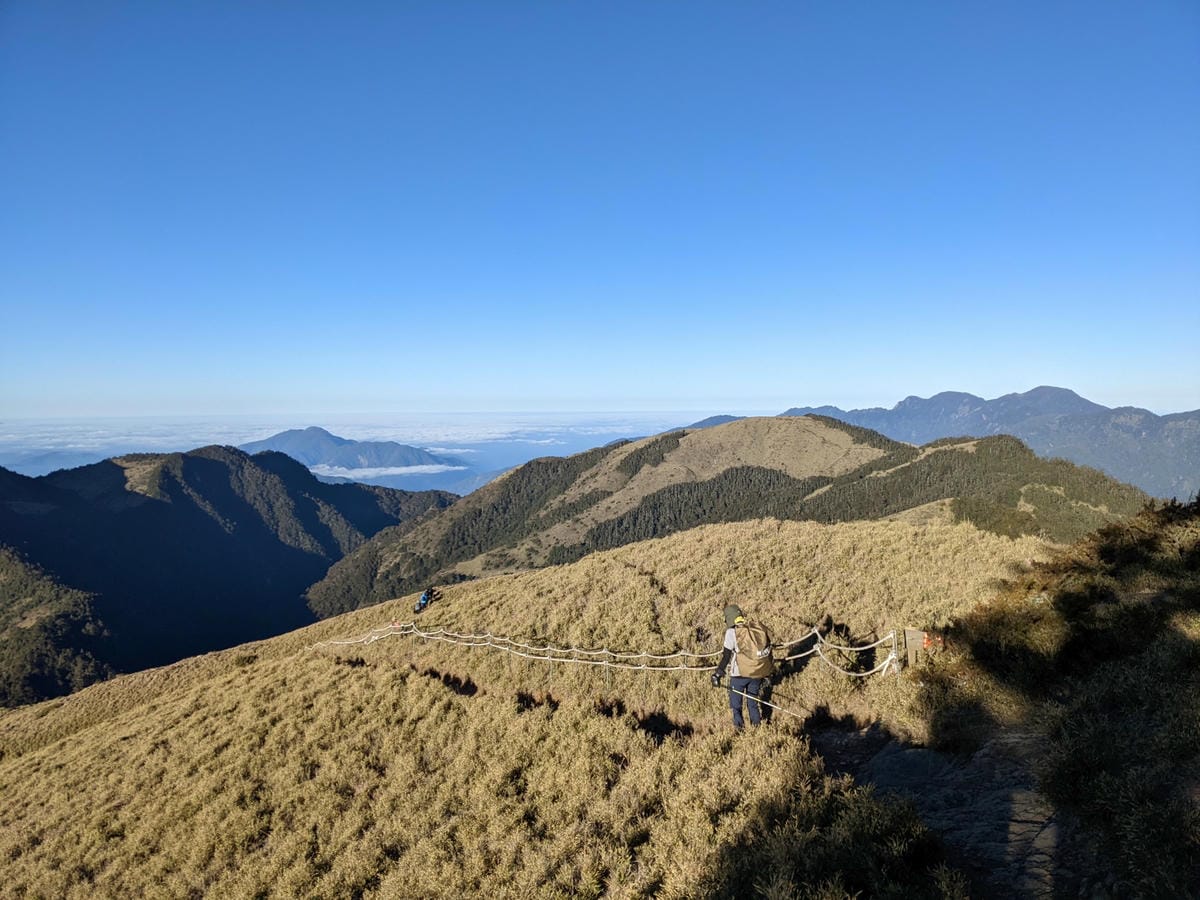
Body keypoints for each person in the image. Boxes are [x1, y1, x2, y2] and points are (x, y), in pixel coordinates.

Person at [710, 604, 773, 729]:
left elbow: (726, 656)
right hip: (756, 673)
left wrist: (718, 674)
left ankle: (740, 731)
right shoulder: (751, 628)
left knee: (736, 706)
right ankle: (757, 730)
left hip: (738, 675)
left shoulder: (731, 632)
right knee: (753, 704)